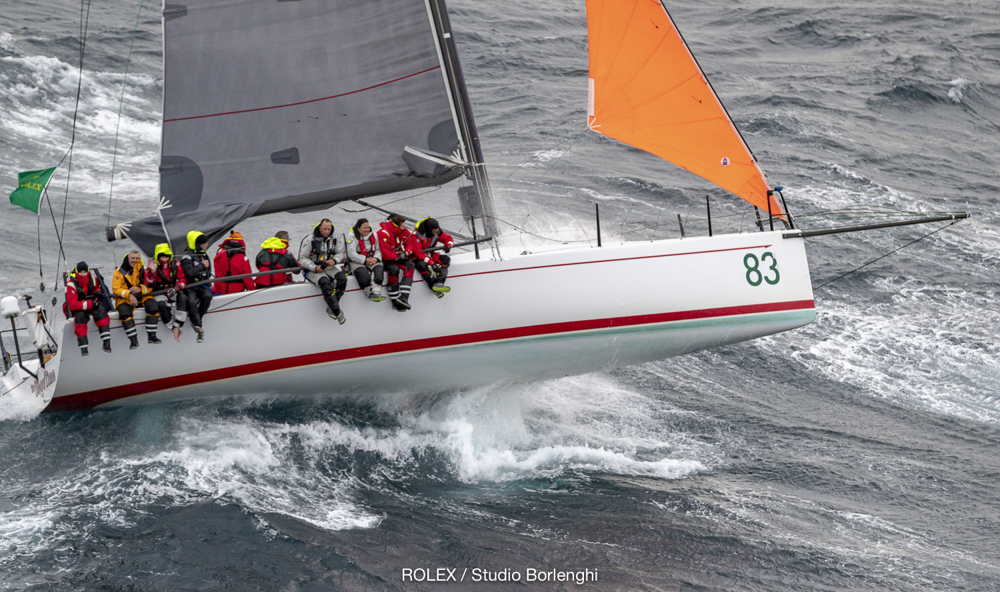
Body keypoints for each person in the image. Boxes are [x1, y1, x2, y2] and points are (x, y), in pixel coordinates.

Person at [298, 218, 347, 323]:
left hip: (328, 266)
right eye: (324, 229)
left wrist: (334, 260)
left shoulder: (334, 239)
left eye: (329, 229)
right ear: (319, 228)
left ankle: (333, 305)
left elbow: (340, 253)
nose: (327, 231)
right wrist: (315, 268)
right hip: (312, 269)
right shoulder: (309, 240)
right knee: (325, 283)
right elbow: (302, 259)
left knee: (342, 279)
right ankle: (337, 311)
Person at [65, 261, 111, 356]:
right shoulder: (70, 285)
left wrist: (97, 291)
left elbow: (96, 288)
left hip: (92, 304)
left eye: (85, 271)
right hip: (79, 308)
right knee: (81, 317)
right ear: (77, 272)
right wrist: (90, 304)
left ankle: (106, 342)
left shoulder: (93, 279)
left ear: (88, 271)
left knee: (101, 310)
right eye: (81, 272)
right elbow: (73, 305)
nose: (83, 273)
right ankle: (83, 347)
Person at [145, 243, 187, 342]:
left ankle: (178, 324)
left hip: (173, 290)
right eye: (162, 257)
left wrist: (176, 288)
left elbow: (182, 279)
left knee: (183, 298)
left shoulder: (175, 263)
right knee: (161, 305)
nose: (164, 259)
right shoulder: (152, 266)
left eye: (166, 256)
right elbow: (148, 283)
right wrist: (152, 271)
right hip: (159, 293)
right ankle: (172, 327)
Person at [111, 250, 153, 349]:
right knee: (124, 313)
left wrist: (140, 289)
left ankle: (152, 336)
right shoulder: (118, 272)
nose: (135, 260)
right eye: (132, 258)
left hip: (141, 298)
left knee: (153, 307)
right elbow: (116, 289)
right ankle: (133, 340)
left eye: (137, 258)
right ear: (128, 259)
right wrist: (129, 294)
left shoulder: (143, 270)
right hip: (124, 299)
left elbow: (151, 286)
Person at [407, 217, 454, 297]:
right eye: (435, 229)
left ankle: (439, 283)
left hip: (430, 255)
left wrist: (449, 245)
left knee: (446, 259)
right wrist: (432, 263)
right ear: (429, 229)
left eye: (437, 229)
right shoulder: (416, 235)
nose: (436, 231)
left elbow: (448, 238)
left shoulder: (438, 231)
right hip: (417, 258)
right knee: (421, 265)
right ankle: (433, 286)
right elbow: (419, 253)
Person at [377, 213, 415, 312]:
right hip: (385, 260)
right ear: (396, 226)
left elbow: (410, 242)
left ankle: (404, 298)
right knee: (394, 269)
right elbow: (385, 254)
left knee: (410, 265)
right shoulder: (383, 233)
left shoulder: (403, 230)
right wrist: (398, 255)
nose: (405, 228)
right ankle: (395, 299)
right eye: (403, 226)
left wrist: (407, 251)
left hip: (397, 256)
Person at [179, 231, 212, 343]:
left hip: (202, 285)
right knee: (191, 302)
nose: (207, 245)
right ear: (198, 244)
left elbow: (208, 271)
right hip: (191, 286)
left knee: (207, 296)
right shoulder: (187, 257)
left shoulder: (203, 254)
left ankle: (197, 320)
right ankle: (199, 326)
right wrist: (202, 265)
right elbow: (189, 272)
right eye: (204, 243)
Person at [343, 218, 385, 302]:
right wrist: (364, 260)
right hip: (356, 261)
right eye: (364, 228)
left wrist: (376, 259)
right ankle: (369, 292)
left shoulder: (374, 235)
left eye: (368, 227)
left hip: (371, 259)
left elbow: (378, 249)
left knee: (379, 270)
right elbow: (351, 254)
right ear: (358, 228)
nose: (367, 230)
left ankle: (376, 291)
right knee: (363, 273)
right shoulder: (351, 236)